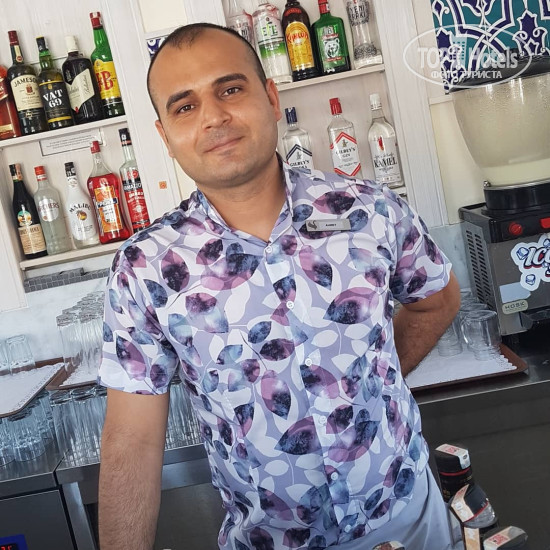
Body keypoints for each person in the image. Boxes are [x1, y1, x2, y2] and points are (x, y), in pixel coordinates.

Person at [98, 23, 460, 550]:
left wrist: (359, 391)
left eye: (230, 89)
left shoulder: (372, 211)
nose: (213, 117)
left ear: (270, 97)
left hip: (409, 520)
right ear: (165, 136)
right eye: (185, 106)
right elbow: (133, 441)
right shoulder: (144, 269)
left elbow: (437, 302)